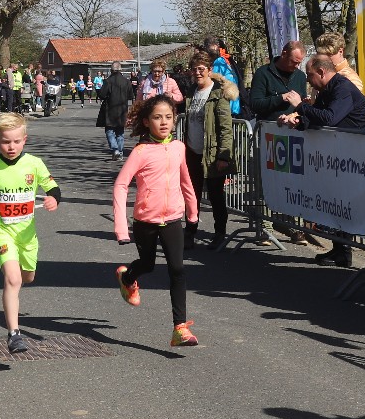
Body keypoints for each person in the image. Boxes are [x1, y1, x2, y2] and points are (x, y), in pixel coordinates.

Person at [278, 53, 365, 267]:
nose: (308, 79)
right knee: (339, 198)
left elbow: (330, 117)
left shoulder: (342, 87)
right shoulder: (326, 90)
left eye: (310, 74)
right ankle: (341, 251)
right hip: (350, 154)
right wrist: (298, 123)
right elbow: (318, 118)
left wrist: (300, 106)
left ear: (321, 72)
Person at [0, 113, 61, 356]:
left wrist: (54, 198)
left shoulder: (34, 164)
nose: (11, 147)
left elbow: (53, 187)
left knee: (27, 277)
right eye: (6, 142)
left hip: (27, 235)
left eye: (17, 141)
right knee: (13, 279)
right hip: (2, 232)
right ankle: (14, 334)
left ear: (24, 140)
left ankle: (21, 278)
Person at [113, 95, 200, 346]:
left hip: (172, 218)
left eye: (168, 117)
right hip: (145, 220)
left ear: (175, 120)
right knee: (148, 264)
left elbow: (186, 181)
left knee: (177, 269)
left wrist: (192, 214)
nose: (164, 122)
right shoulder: (140, 152)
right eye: (157, 117)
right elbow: (120, 185)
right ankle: (127, 278)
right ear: (146, 121)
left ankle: (179, 329)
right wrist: (121, 228)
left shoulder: (179, 147)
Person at [183, 51, 236, 249]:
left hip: (212, 154)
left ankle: (220, 233)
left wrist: (224, 156)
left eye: (201, 69)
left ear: (209, 70)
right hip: (192, 152)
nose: (197, 73)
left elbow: (226, 128)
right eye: (194, 69)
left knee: (215, 196)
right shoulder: (191, 92)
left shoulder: (218, 94)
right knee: (192, 195)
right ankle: (190, 232)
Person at [249, 40, 308, 121]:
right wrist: (280, 98)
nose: (296, 66)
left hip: (294, 127)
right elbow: (254, 105)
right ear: (284, 54)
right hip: (269, 126)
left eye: (299, 63)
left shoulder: (301, 76)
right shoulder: (263, 73)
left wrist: (305, 103)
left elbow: (302, 107)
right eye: (294, 62)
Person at [96, 62, 134, 159]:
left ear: (111, 70)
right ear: (121, 70)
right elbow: (130, 95)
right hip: (122, 109)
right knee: (120, 132)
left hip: (110, 109)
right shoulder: (126, 81)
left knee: (109, 130)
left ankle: (115, 149)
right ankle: (120, 152)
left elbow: (102, 95)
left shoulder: (108, 81)